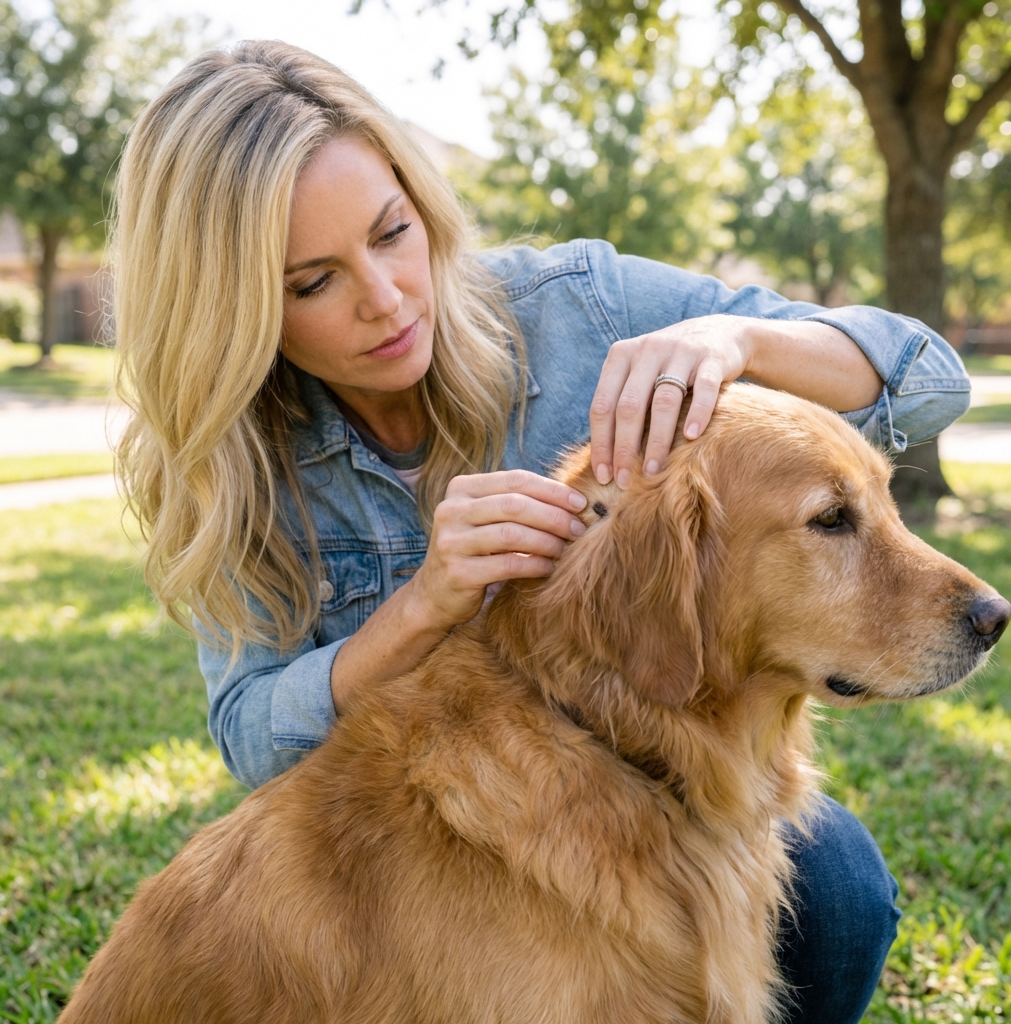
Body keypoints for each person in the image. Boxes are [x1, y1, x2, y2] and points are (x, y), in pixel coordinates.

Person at [113, 40, 969, 1024]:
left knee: (838, 890)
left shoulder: (577, 309)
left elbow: (927, 376)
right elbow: (253, 735)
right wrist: (426, 603)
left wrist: (737, 339)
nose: (388, 297)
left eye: (393, 233)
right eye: (313, 282)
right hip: (420, 848)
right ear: (235, 309)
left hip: (668, 783)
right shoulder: (240, 462)